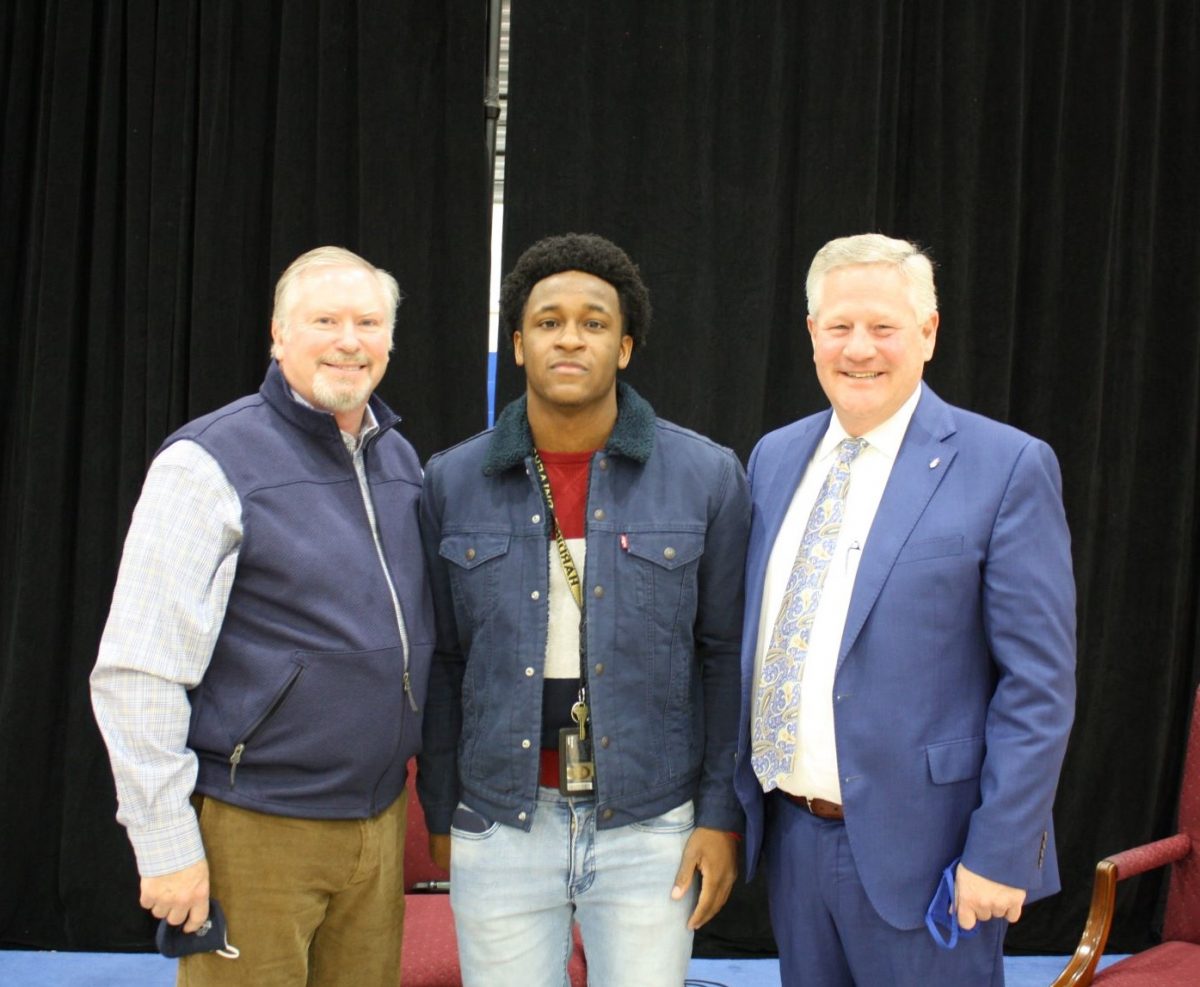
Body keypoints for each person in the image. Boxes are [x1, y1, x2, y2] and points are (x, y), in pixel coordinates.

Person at [733, 233, 1076, 985]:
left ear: (928, 332)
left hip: (934, 857)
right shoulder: (773, 458)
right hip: (792, 839)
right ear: (812, 333)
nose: (860, 349)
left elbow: (1038, 685)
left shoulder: (1007, 466)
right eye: (839, 327)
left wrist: (1000, 850)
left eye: (884, 327)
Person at [91, 246, 433, 986]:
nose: (350, 339)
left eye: (368, 321)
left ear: (390, 340)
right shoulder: (208, 463)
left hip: (375, 828)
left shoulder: (400, 461)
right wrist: (164, 842)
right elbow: (137, 668)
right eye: (325, 319)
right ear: (278, 336)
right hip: (258, 828)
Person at [418, 232, 750, 986]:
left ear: (625, 347)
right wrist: (441, 807)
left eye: (594, 322)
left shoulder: (706, 475)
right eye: (548, 321)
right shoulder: (451, 480)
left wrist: (718, 813)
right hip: (499, 818)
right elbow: (441, 659)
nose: (570, 337)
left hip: (652, 822)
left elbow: (726, 656)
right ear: (518, 343)